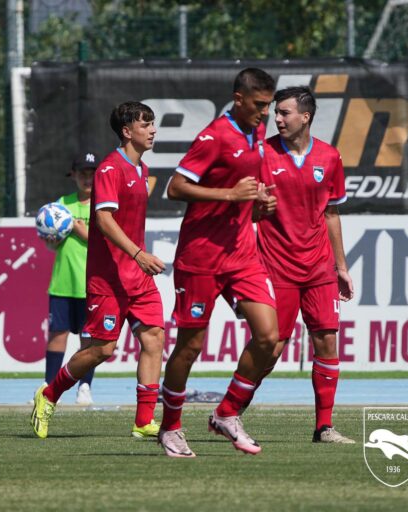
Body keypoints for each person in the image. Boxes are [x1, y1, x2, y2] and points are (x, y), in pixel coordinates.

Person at [158, 68, 278, 458]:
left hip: (242, 254)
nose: (266, 113)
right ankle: (170, 427)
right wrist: (229, 195)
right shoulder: (214, 136)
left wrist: (259, 203)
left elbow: (246, 189)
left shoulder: (256, 132)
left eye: (269, 105)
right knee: (190, 347)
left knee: (269, 337)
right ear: (238, 98)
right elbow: (174, 187)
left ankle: (226, 413)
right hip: (201, 258)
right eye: (260, 105)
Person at [31, 102, 167, 441]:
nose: (152, 129)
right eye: (145, 124)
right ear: (127, 131)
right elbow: (103, 221)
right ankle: (48, 395)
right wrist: (138, 253)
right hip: (108, 278)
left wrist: (137, 260)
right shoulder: (110, 169)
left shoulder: (141, 169)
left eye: (153, 123)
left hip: (137, 278)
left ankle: (143, 420)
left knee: (154, 338)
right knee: (102, 350)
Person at [252, 86, 354, 444]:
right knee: (270, 349)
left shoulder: (329, 157)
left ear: (305, 117)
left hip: (319, 268)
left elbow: (331, 213)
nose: (277, 119)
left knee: (327, 341)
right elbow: (243, 207)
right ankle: (230, 413)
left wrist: (340, 266)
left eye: (285, 113)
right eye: (276, 113)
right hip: (276, 267)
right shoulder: (262, 153)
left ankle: (323, 427)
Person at [40, 151, 98, 405]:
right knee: (57, 334)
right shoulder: (61, 204)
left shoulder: (102, 205)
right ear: (73, 175)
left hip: (93, 284)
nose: (88, 178)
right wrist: (51, 241)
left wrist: (78, 228)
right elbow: (53, 246)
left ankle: (84, 385)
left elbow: (103, 241)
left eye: (92, 173)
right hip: (63, 281)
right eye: (83, 173)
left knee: (89, 339)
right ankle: (49, 385)